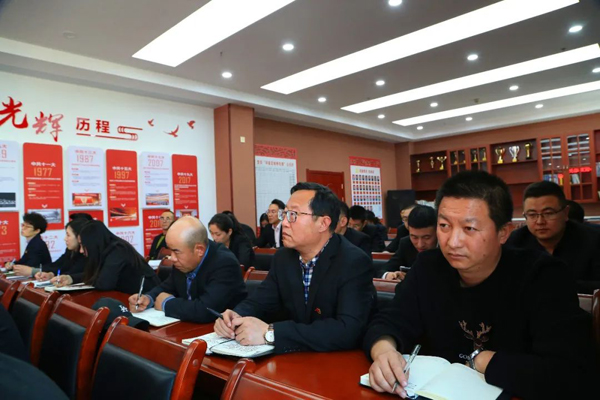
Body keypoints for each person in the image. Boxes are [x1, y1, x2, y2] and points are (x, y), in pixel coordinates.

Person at [364, 171, 598, 399]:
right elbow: (389, 319)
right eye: (444, 226)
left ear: (503, 232)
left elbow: (569, 373)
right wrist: (384, 350)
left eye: (469, 228)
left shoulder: (544, 276)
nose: (453, 242)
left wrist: (483, 360)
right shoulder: (428, 267)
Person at [214, 182, 375, 354]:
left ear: (323, 223)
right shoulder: (284, 258)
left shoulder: (353, 262)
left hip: (337, 360)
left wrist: (271, 334)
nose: (284, 222)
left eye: (293, 215)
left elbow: (347, 330)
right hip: (294, 358)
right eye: (285, 214)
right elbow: (260, 301)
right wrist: (235, 316)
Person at [129, 217, 247, 323]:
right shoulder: (182, 261)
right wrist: (147, 298)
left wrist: (167, 304)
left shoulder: (224, 263)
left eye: (176, 251)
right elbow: (167, 287)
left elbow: (206, 310)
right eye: (170, 250)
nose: (172, 258)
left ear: (199, 250)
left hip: (222, 332)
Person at [506, 181, 600, 294]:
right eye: (532, 215)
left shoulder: (594, 240)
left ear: (565, 213)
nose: (540, 222)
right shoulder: (514, 243)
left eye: (548, 213)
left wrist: (558, 285)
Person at [52, 220, 159, 293]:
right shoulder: (105, 250)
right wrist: (71, 278)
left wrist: (87, 278)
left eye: (83, 246)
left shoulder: (118, 250)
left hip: (146, 297)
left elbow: (104, 283)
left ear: (93, 243)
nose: (81, 251)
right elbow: (97, 275)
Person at [377, 205, 437, 281]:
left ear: (437, 231)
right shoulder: (406, 243)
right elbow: (383, 271)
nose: (420, 245)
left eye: (426, 237)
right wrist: (389, 275)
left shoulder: (447, 247)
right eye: (414, 237)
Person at [6, 212, 51, 277]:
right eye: (23, 225)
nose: (23, 228)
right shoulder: (33, 242)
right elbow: (23, 261)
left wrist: (13, 266)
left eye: (27, 227)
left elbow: (30, 266)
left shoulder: (37, 244)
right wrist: (11, 264)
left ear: (37, 231)